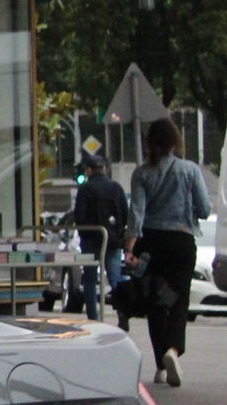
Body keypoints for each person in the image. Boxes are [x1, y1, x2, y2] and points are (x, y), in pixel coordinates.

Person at [126, 117, 213, 389]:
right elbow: (205, 209)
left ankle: (161, 366)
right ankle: (173, 350)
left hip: (152, 242)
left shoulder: (141, 173)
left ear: (150, 143)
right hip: (182, 241)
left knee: (155, 302)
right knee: (178, 299)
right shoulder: (189, 170)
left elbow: (136, 214)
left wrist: (130, 247)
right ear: (176, 142)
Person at [70, 140, 131, 321]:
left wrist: (83, 234)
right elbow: (125, 214)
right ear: (104, 169)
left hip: (90, 241)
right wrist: (119, 233)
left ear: (88, 170)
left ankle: (93, 317)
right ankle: (122, 312)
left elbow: (79, 216)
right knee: (115, 277)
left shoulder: (85, 189)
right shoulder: (116, 188)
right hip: (112, 241)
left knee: (89, 279)